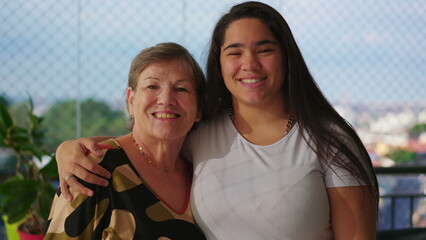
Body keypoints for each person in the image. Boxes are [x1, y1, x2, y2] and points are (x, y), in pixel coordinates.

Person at [54, 2, 379, 239]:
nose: (249, 64)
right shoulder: (201, 135)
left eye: (264, 49)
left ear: (286, 56)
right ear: (219, 63)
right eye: (235, 52)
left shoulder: (330, 140)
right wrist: (68, 150)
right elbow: (152, 138)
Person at [44, 42, 207, 239]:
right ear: (131, 100)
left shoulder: (201, 176)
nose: (166, 99)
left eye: (181, 89)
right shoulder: (92, 169)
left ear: (199, 108)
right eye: (152, 86)